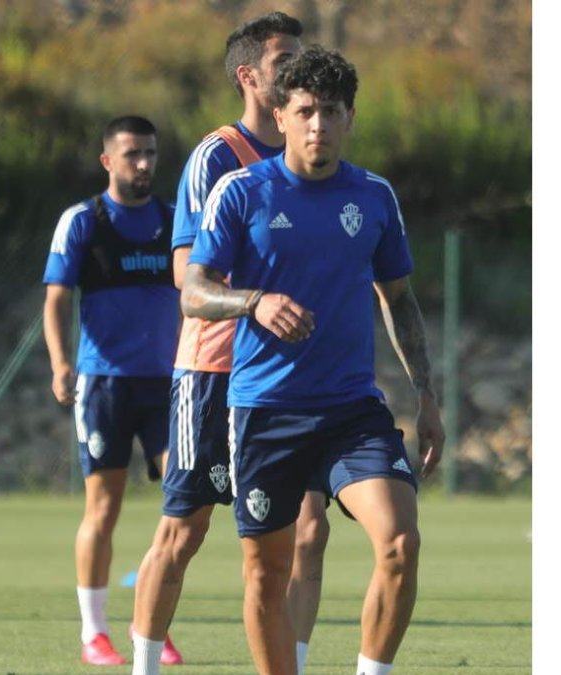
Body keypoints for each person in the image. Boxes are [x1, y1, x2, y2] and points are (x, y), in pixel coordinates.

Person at [182, 46, 445, 675]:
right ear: (280, 117)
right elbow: (194, 290)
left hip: (352, 411)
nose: (318, 124)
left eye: (331, 111)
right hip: (266, 414)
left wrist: (426, 396)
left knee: (400, 542)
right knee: (267, 573)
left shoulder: (375, 197)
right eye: (305, 110)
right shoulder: (240, 192)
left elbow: (399, 301)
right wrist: (253, 303)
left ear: (350, 117)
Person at [128, 12, 332, 675]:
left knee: (309, 527)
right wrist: (259, 299)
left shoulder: (308, 154)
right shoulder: (219, 156)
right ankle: (143, 666)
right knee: (184, 529)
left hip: (288, 378)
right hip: (214, 369)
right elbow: (185, 269)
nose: (298, 71)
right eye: (284, 62)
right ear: (249, 76)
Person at [42, 116, 181, 666]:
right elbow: (55, 298)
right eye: (131, 154)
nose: (143, 164)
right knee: (104, 506)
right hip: (103, 385)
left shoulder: (175, 221)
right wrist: (59, 363)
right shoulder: (83, 222)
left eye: (149, 153)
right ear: (108, 161)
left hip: (168, 384)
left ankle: (151, 621)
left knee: (182, 504)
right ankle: (93, 632)